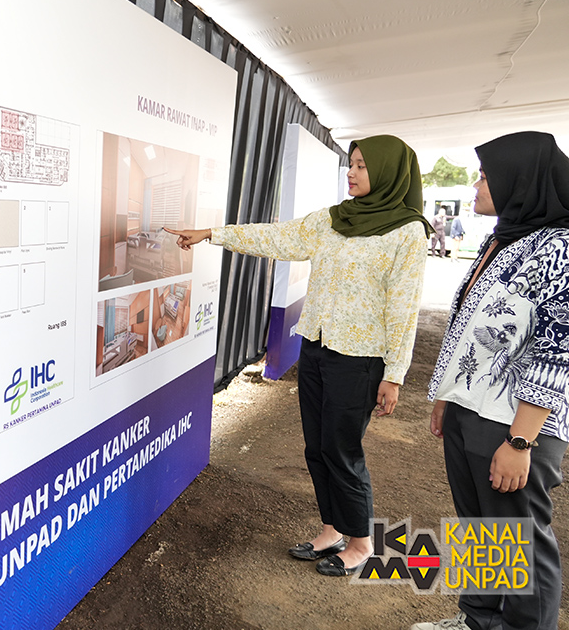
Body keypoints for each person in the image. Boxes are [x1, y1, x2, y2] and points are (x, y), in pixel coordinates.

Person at [166, 135, 432, 577]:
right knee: (317, 446)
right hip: (317, 346)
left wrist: (395, 374)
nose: (351, 172)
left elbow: (404, 308)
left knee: (342, 449)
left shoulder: (407, 232)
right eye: (351, 163)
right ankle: (331, 529)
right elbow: (277, 237)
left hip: (360, 358)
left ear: (388, 171)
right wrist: (212, 234)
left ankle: (361, 542)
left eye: (362, 165)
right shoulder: (333, 219)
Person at [415, 132, 569, 630]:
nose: (476, 184)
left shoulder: (561, 247)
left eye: (485, 175)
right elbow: (467, 324)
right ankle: (478, 620)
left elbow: (557, 350)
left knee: (520, 537)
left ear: (520, 180)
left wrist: (521, 441)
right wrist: (447, 395)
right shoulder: (505, 238)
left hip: (515, 421)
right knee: (481, 529)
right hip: (471, 407)